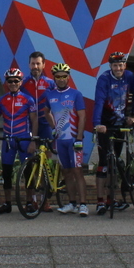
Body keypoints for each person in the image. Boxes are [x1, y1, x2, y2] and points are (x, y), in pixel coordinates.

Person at [92, 51, 134, 214]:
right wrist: (97, 124)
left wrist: (132, 116)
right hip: (105, 124)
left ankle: (111, 199)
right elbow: (99, 101)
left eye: (120, 65)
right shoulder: (104, 79)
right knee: (103, 163)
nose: (118, 68)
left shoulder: (129, 77)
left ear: (124, 65)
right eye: (115, 65)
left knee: (115, 162)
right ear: (110, 66)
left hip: (121, 124)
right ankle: (100, 201)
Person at [0, 68, 37, 214]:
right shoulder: (1, 100)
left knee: (28, 172)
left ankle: (29, 202)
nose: (13, 83)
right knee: (6, 172)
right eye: (10, 81)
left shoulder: (28, 100)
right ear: (6, 83)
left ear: (21, 82)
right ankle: (7, 203)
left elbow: (34, 121)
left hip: (24, 139)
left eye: (16, 81)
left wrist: (33, 140)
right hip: (8, 140)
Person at [42, 63, 88, 216]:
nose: (61, 79)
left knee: (77, 171)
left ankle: (83, 205)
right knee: (66, 172)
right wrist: (53, 127)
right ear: (54, 78)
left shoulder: (76, 94)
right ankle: (72, 203)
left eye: (64, 76)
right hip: (60, 140)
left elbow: (82, 117)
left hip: (73, 139)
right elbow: (46, 112)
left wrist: (79, 137)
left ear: (68, 77)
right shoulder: (50, 95)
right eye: (58, 76)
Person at [22, 51, 56, 143]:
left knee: (48, 150)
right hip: (28, 124)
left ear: (43, 65)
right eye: (33, 64)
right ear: (29, 65)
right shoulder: (23, 83)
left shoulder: (51, 83)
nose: (35, 66)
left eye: (38, 63)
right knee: (29, 150)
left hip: (46, 124)